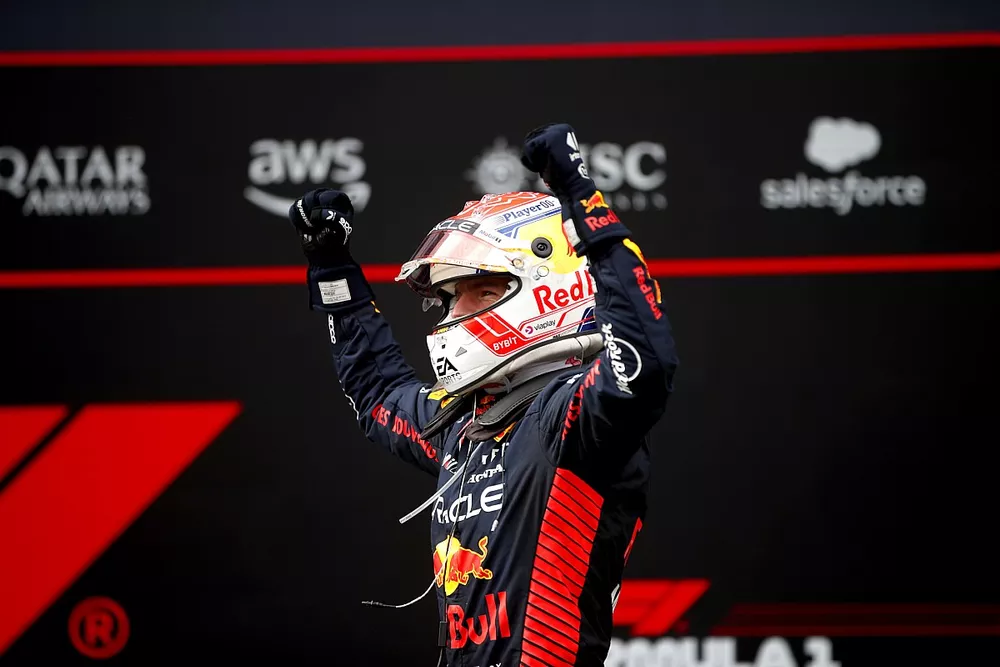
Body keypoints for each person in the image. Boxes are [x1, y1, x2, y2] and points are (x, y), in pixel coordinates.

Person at [288, 123, 678, 666]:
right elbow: (377, 391)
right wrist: (332, 270)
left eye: (481, 292)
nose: (454, 315)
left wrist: (584, 202)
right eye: (450, 298)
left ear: (547, 290)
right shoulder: (464, 426)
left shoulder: (574, 419)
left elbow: (645, 363)